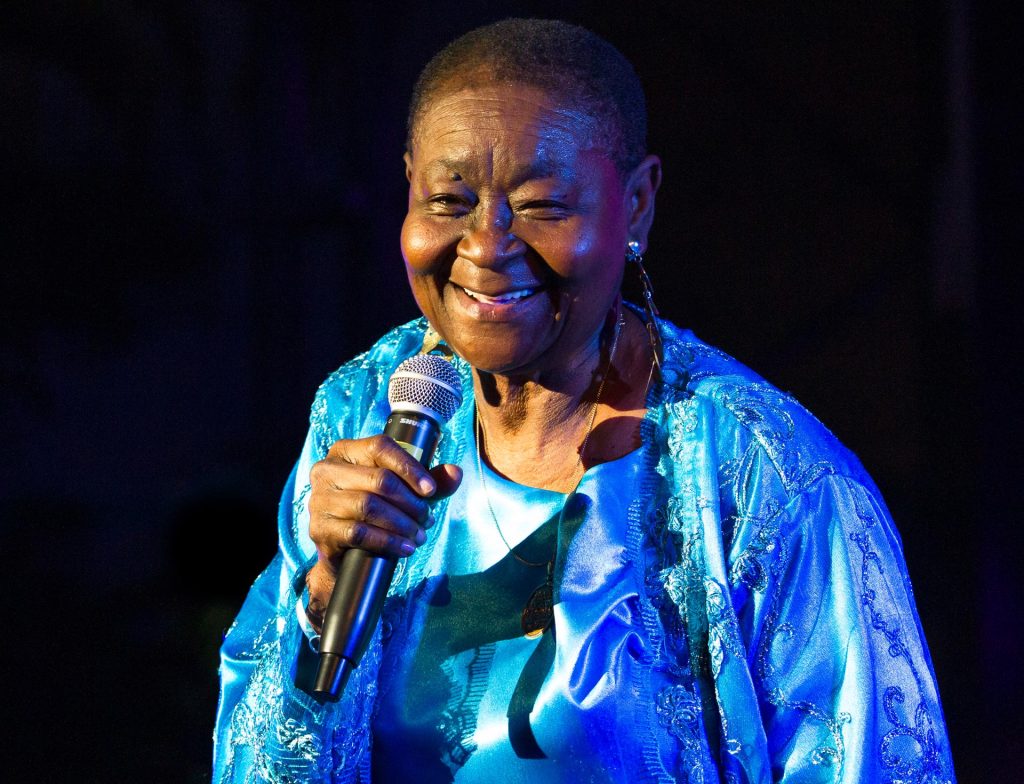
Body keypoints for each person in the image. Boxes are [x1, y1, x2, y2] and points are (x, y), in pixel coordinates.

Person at [213, 18, 955, 783]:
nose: (486, 244)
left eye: (539, 207)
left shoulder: (768, 478)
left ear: (635, 205)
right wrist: (323, 599)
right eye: (449, 199)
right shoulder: (364, 411)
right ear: (408, 186)